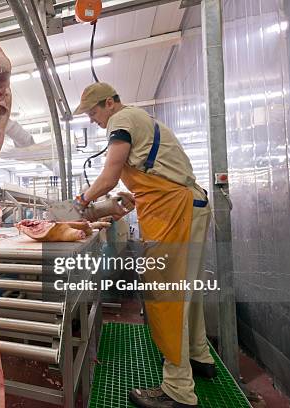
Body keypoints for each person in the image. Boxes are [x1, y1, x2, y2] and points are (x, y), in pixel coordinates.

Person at [73, 83, 216, 408]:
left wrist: (82, 201)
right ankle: (199, 356)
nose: (94, 120)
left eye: (94, 112)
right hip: (187, 204)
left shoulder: (121, 121)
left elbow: (109, 176)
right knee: (186, 291)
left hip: (174, 210)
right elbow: (158, 175)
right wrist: (129, 200)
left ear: (110, 103)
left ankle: (179, 390)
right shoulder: (140, 121)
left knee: (166, 295)